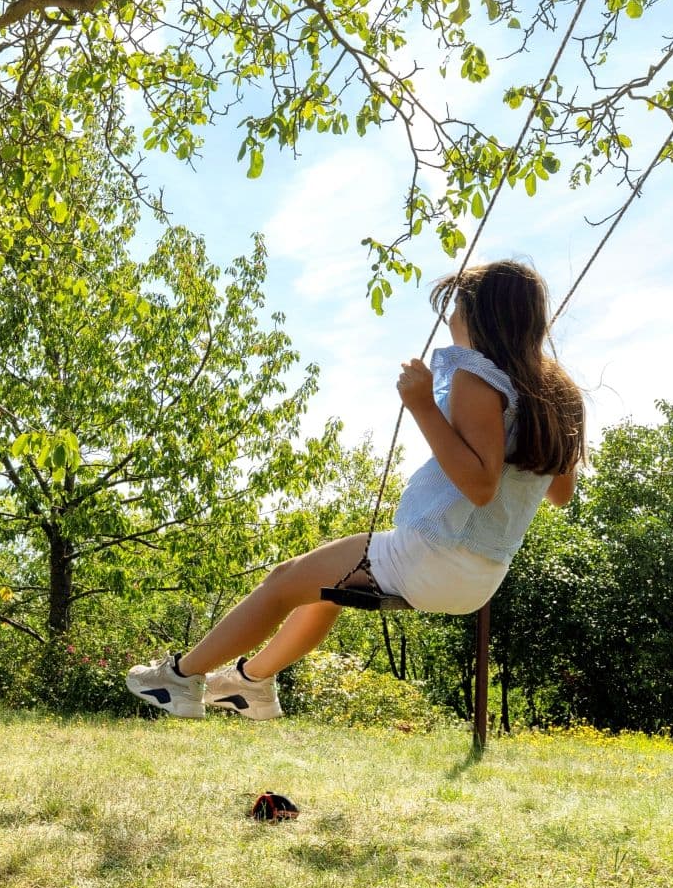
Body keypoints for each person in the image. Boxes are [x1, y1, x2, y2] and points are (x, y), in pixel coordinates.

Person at [126, 259, 585, 719]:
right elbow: (560, 493)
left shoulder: (476, 375)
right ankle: (251, 684)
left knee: (282, 581)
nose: (449, 318)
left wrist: (422, 406)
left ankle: (180, 679)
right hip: (482, 577)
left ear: (480, 314)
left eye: (456, 306)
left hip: (433, 554)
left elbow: (480, 486)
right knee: (326, 588)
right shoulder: (558, 395)